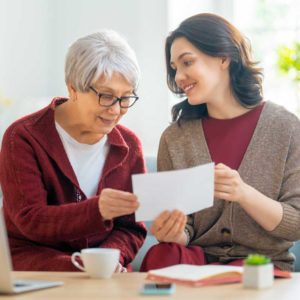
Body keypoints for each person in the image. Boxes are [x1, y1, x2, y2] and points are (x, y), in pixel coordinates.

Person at [141, 13, 300, 272]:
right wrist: (172, 232)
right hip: (198, 261)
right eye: (174, 68)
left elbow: (296, 223)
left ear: (224, 57)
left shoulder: (286, 127)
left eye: (187, 62)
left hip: (260, 264)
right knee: (162, 255)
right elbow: (187, 230)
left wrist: (244, 193)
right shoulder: (175, 137)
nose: (179, 77)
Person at [0, 29, 147, 271]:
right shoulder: (22, 137)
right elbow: (30, 219)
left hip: (103, 271)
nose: (116, 110)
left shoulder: (129, 146)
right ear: (73, 89)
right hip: (37, 263)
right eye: (106, 96)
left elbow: (130, 228)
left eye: (126, 98)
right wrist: (97, 210)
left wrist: (109, 259)